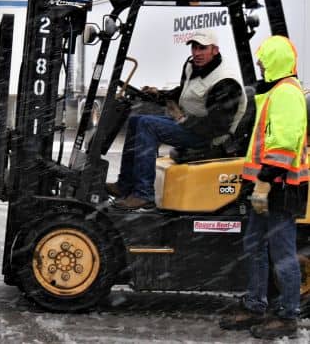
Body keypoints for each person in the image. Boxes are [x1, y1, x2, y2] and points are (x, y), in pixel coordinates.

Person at [219, 35, 308, 339]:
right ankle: (256, 304)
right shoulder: (273, 94)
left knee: (282, 252)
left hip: (280, 187)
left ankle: (287, 314)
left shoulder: (286, 94)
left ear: (274, 61)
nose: (259, 65)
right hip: (267, 185)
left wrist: (265, 181)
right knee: (255, 245)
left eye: (262, 60)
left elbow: (283, 146)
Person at [109, 28, 247, 210]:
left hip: (210, 138)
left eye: (202, 48)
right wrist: (158, 94)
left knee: (147, 125)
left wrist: (182, 119)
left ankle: (144, 194)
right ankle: (125, 185)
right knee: (137, 121)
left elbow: (216, 127)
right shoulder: (193, 66)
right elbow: (183, 92)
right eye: (194, 48)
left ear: (215, 50)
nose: (196, 53)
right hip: (191, 125)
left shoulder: (225, 82)